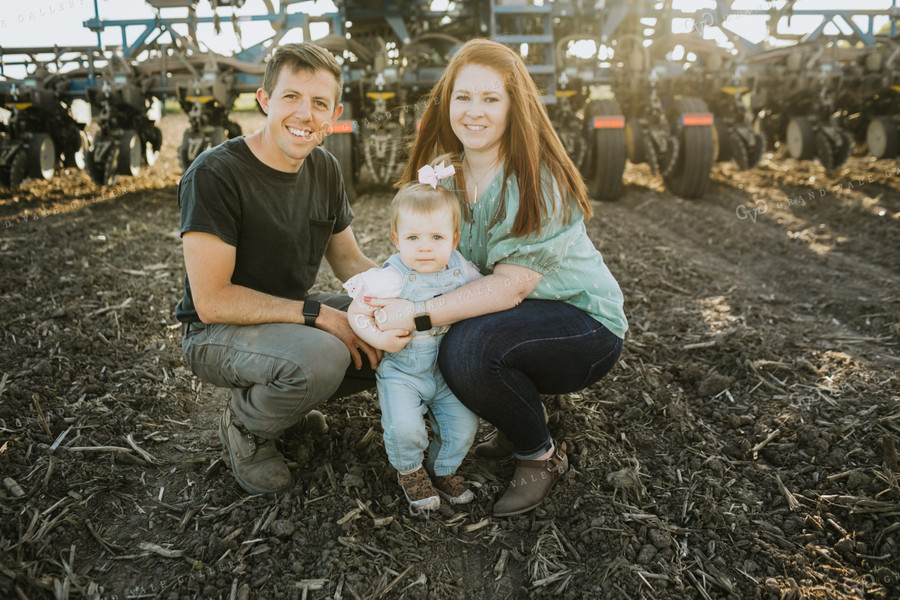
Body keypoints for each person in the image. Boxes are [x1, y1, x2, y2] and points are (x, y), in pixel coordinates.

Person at [370, 39, 628, 517]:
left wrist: (419, 315)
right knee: (461, 339)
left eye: (491, 99)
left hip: (583, 325)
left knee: (466, 348)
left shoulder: (538, 178)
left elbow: (511, 286)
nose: (474, 112)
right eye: (463, 98)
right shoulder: (443, 177)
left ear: (515, 107)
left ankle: (539, 455)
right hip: (517, 318)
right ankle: (510, 414)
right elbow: (424, 253)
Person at [175, 42, 382, 497]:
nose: (305, 114)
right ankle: (247, 426)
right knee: (323, 357)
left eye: (319, 103)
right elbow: (211, 301)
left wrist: (411, 293)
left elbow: (349, 261)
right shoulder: (216, 174)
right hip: (215, 331)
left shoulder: (325, 168)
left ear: (333, 114)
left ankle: (286, 403)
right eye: (291, 97)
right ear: (265, 101)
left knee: (385, 327)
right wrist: (320, 316)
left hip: (286, 316)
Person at [344, 164, 482, 513]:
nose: (424, 248)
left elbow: (483, 297)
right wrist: (380, 339)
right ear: (396, 239)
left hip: (448, 372)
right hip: (403, 372)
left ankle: (443, 468)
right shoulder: (389, 278)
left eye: (436, 238)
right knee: (405, 429)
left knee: (464, 426)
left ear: (454, 239)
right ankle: (411, 471)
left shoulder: (461, 270)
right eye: (413, 238)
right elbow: (356, 313)